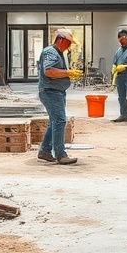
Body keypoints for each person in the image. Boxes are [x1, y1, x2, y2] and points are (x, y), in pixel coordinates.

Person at [36, 27, 82, 165]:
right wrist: (68, 73)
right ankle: (60, 154)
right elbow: (48, 71)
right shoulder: (51, 52)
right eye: (68, 43)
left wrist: (67, 74)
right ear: (61, 40)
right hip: (50, 92)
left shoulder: (59, 53)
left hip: (57, 91)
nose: (69, 46)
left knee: (55, 121)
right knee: (60, 120)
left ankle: (45, 151)